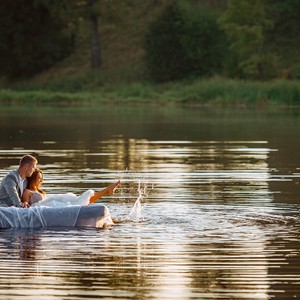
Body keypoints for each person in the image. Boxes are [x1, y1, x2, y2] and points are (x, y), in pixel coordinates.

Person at [21, 168, 121, 208]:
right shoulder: (27, 192)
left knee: (81, 199)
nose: (41, 181)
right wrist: (25, 203)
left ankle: (107, 190)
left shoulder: (40, 191)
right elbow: (25, 207)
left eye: (41, 179)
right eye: (39, 178)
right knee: (80, 203)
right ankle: (107, 190)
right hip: (46, 207)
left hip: (52, 204)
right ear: (32, 178)